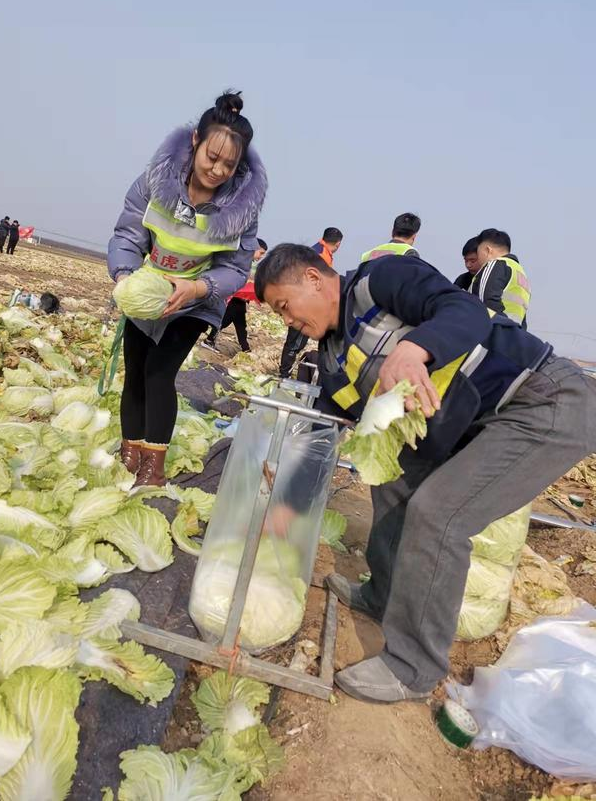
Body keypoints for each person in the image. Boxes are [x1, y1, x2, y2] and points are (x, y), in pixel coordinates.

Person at [254, 243, 596, 703]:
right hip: (480, 419)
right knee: (393, 478)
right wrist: (288, 505)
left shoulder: (381, 281)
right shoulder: (333, 358)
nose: (286, 321)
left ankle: (413, 667)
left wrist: (414, 349)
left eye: (284, 306)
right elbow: (323, 429)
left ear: (314, 279)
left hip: (543, 400)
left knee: (440, 514)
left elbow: (465, 310)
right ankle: (384, 595)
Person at [107, 91, 267, 487]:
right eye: (212, 157)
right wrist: (126, 277)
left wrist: (197, 288)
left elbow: (235, 268)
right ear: (195, 141)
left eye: (229, 164)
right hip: (151, 288)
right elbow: (129, 232)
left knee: (160, 374)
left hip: (197, 299)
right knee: (136, 372)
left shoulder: (241, 209)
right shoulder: (155, 180)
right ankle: (131, 446)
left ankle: (152, 469)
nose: (217, 170)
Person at [278, 227, 343, 378]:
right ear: (338, 244)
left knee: (295, 340)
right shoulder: (320, 256)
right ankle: (283, 375)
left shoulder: (317, 251)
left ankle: (284, 372)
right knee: (296, 342)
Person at [201, 237, 268, 352]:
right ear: (254, 248)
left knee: (241, 325)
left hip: (240, 299)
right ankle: (209, 340)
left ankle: (245, 348)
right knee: (226, 321)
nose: (260, 257)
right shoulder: (240, 261)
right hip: (234, 298)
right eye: (260, 253)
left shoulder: (249, 264)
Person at [470, 228, 530, 327]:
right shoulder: (521, 273)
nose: (478, 257)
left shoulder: (496, 264)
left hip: (495, 331)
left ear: (488, 250)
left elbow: (486, 301)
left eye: (478, 252)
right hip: (514, 335)